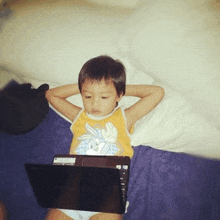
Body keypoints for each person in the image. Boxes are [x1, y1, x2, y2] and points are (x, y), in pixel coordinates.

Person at [45, 55, 164, 220]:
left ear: (118, 96)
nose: (95, 103)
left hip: (106, 197)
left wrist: (118, 87)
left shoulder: (125, 117)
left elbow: (157, 92)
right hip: (72, 192)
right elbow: (51, 95)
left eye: (104, 97)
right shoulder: (78, 116)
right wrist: (87, 85)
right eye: (87, 96)